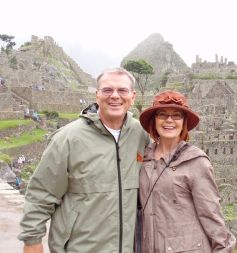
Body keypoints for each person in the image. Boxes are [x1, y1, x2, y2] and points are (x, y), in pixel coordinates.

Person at [18, 67, 150, 253]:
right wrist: (32, 240)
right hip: (80, 248)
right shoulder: (68, 138)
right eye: (107, 90)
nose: (115, 96)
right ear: (97, 95)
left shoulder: (141, 135)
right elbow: (41, 193)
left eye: (122, 90)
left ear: (132, 96)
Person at [138, 90, 236, 252]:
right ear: (154, 121)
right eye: (162, 115)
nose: (169, 120)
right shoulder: (144, 158)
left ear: (184, 122)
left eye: (176, 115)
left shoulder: (196, 162)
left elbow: (211, 214)